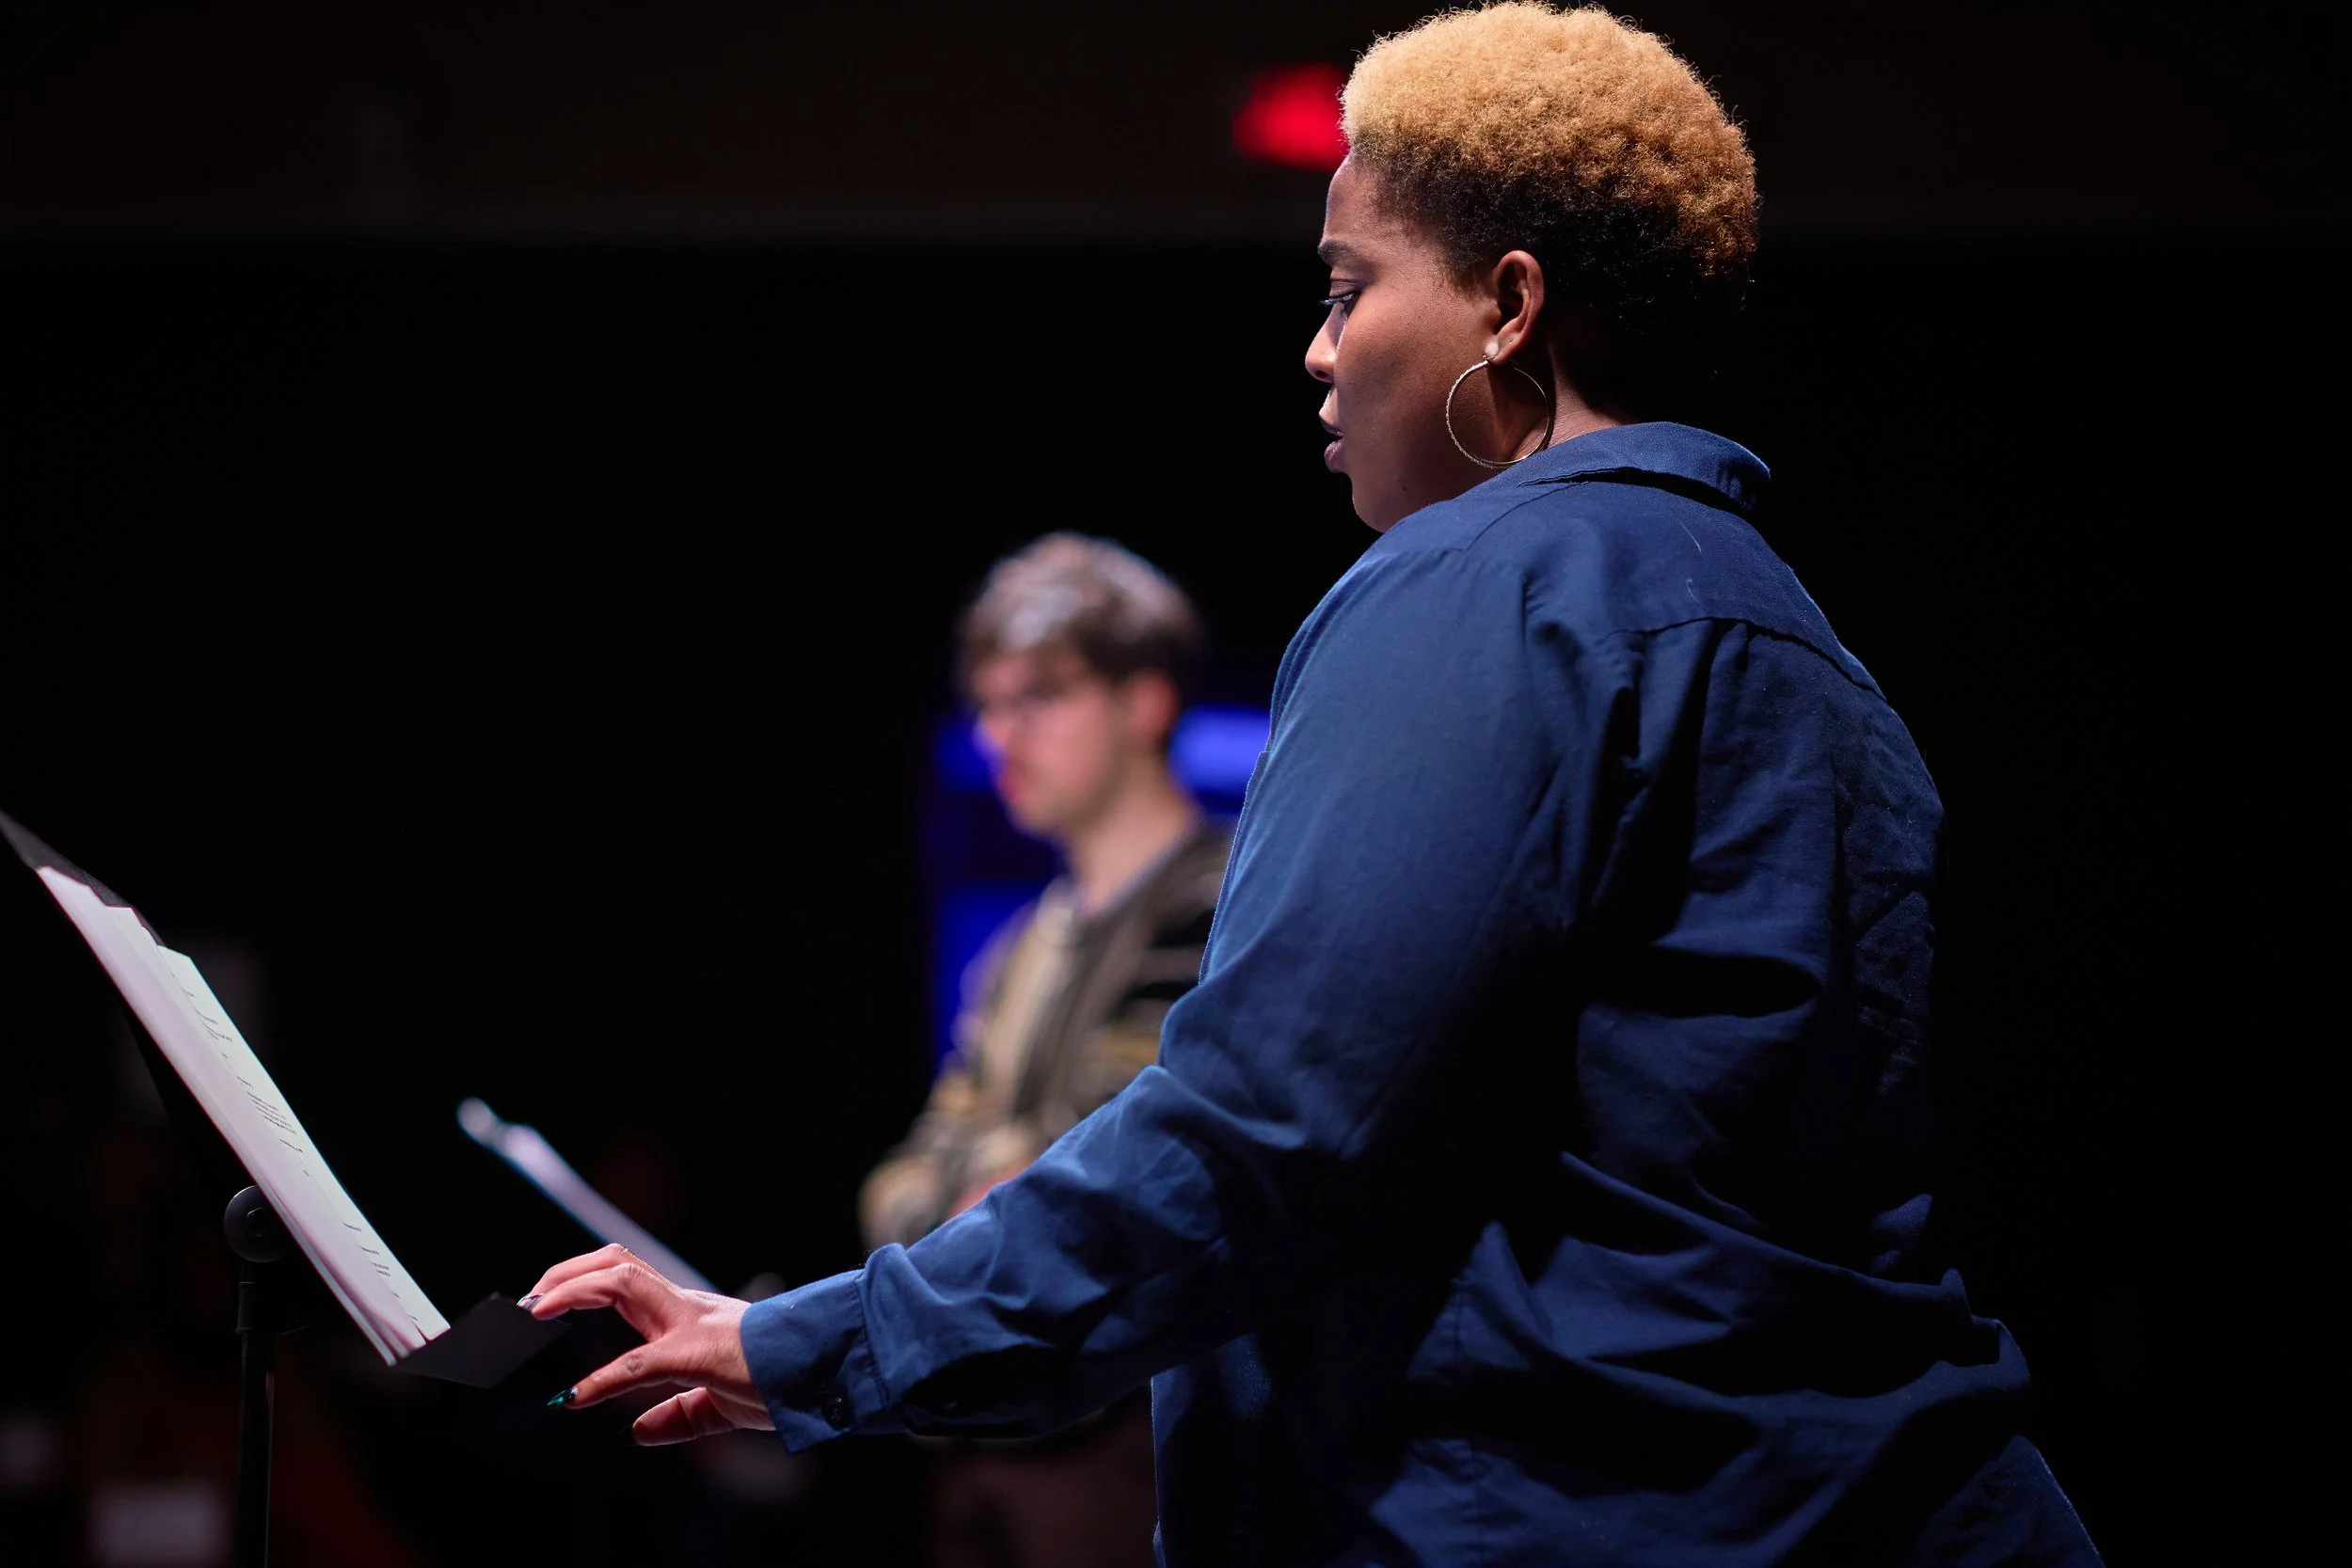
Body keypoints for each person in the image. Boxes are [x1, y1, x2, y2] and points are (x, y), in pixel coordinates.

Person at [523, 7, 2101, 1563]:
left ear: (1509, 304)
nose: (1320, 346)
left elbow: (1265, 1131)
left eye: (1351, 287)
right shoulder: (1810, 652)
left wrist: (803, 1349)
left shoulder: (1489, 581)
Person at [863, 533, 1231, 1568]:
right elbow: (920, 1162)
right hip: (983, 1424)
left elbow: (1120, 1165)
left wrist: (981, 1188)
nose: (997, 735)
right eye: (987, 704)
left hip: (1124, 1435)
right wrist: (962, 1194)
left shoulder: (1226, 903)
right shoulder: (1025, 942)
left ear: (1143, 701)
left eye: (1038, 696)